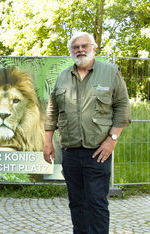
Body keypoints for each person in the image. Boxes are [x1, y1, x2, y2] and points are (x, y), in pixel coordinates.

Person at [43, 32, 131, 234]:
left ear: (94, 47)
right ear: (71, 51)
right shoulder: (63, 76)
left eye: (84, 45)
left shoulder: (110, 72)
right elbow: (52, 110)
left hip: (98, 151)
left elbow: (122, 107)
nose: (80, 50)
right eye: (75, 47)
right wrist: (48, 141)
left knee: (96, 204)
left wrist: (112, 140)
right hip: (71, 152)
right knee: (77, 203)